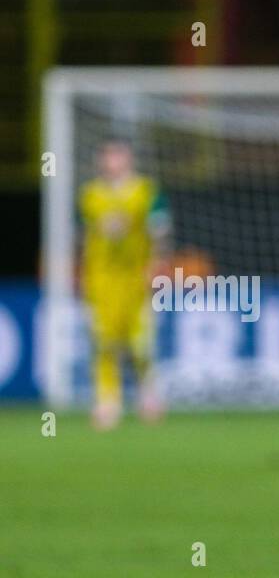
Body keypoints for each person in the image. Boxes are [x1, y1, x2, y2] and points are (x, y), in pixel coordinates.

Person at [79, 139, 170, 429]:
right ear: (101, 161)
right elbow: (83, 237)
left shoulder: (146, 191)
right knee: (104, 342)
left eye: (118, 156)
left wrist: (158, 266)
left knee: (140, 344)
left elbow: (160, 231)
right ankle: (108, 402)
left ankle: (149, 395)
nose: (113, 162)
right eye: (108, 157)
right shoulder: (90, 195)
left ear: (128, 159)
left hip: (137, 277)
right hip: (102, 280)